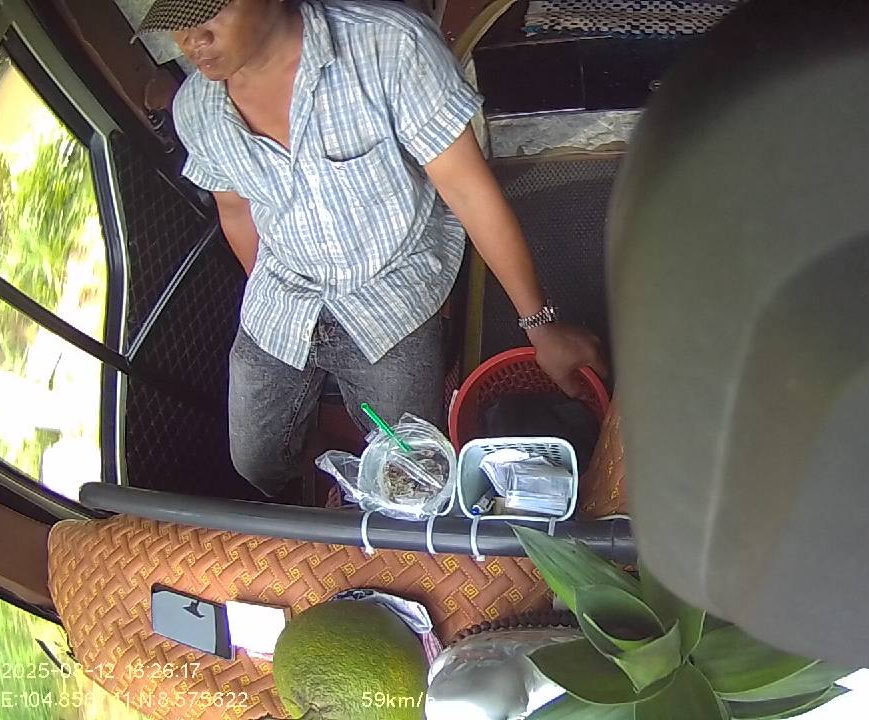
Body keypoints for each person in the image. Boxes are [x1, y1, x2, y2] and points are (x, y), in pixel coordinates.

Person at [136, 0, 608, 497]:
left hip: (392, 290)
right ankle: (328, 471)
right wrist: (269, 294)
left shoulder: (391, 46)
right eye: (175, 21)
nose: (192, 39)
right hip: (282, 291)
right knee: (255, 463)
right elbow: (236, 210)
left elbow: (469, 191)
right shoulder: (196, 110)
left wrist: (540, 326)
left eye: (209, 10)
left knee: (412, 467)